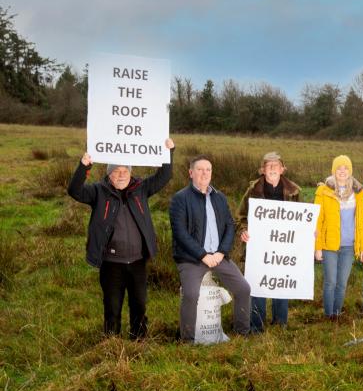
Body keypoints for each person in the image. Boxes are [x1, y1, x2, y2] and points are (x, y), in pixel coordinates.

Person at [68, 138, 174, 338]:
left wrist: (169, 151)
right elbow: (74, 190)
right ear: (109, 174)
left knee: (139, 305)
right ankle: (111, 345)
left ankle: (139, 341)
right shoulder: (99, 191)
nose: (121, 175)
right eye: (116, 171)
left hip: (137, 261)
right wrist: (84, 166)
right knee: (112, 306)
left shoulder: (141, 188)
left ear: (131, 172)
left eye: (125, 171)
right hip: (111, 263)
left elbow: (164, 176)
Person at [170, 154, 251, 341]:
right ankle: (187, 340)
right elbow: (180, 233)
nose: (204, 173)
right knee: (190, 294)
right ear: (191, 173)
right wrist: (202, 255)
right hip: (192, 258)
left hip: (219, 256)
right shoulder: (180, 198)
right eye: (200, 169)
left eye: (208, 170)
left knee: (243, 289)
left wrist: (222, 252)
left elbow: (229, 226)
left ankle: (242, 334)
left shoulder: (219, 198)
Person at [237, 152, 300, 329]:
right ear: (263, 170)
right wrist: (244, 230)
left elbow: (302, 219)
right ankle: (257, 324)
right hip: (258, 247)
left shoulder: (294, 191)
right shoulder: (253, 190)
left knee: (281, 280)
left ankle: (281, 323)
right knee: (258, 282)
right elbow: (240, 216)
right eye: (268, 165)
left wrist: (307, 233)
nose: (272, 168)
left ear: (282, 169)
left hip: (283, 246)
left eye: (276, 165)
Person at [313, 155, 363, 319]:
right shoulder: (324, 191)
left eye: (346, 168)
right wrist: (317, 247)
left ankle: (336, 315)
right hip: (329, 245)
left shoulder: (358, 193)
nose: (342, 171)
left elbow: (360, 223)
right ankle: (328, 315)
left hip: (348, 247)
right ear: (334, 171)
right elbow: (317, 221)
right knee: (330, 282)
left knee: (342, 283)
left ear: (350, 171)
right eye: (339, 168)